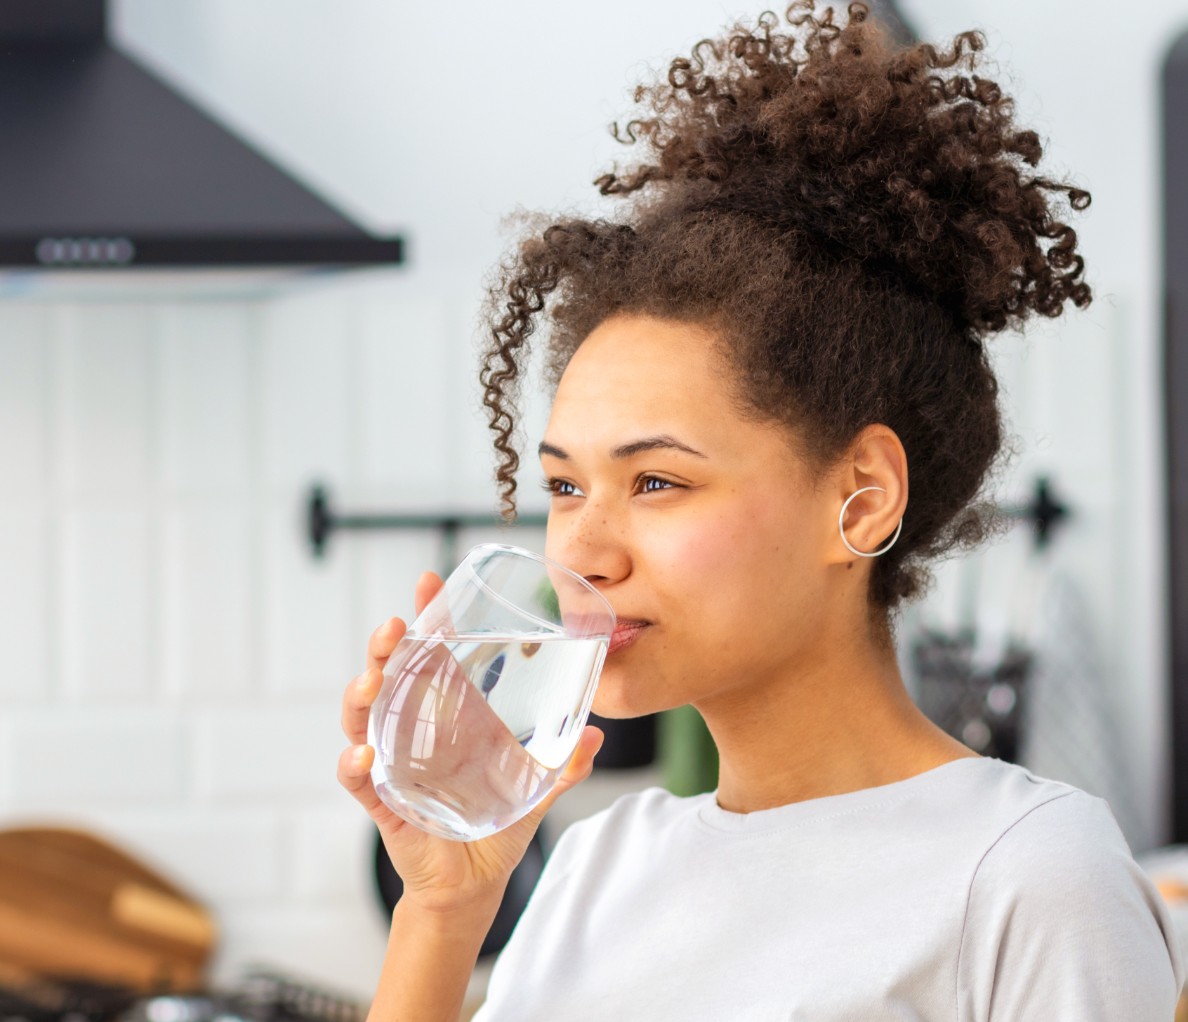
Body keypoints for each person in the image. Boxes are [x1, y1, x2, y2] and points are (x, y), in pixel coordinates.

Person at [335, 2, 1187, 1019]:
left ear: (858, 499)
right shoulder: (593, 869)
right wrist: (441, 910)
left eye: (655, 481)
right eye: (564, 486)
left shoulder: (1029, 873)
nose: (584, 552)